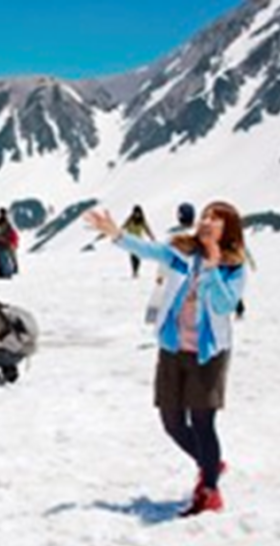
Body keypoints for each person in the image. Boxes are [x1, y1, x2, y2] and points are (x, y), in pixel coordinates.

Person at [85, 201, 248, 517]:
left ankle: (210, 490)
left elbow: (224, 305)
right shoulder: (181, 252)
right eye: (205, 216)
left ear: (228, 229)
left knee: (202, 422)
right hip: (173, 349)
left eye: (215, 218)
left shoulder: (233, 266)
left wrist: (213, 267)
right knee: (172, 422)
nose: (206, 221)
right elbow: (148, 250)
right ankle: (211, 463)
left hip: (208, 354)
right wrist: (116, 234)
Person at [122, 205, 156, 278]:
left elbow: (147, 230)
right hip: (131, 240)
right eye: (135, 213)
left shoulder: (142, 221)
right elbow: (123, 227)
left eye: (138, 213)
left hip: (139, 241)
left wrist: (152, 237)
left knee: (138, 256)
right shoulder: (130, 220)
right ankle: (134, 271)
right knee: (133, 256)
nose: (137, 215)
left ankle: (136, 271)